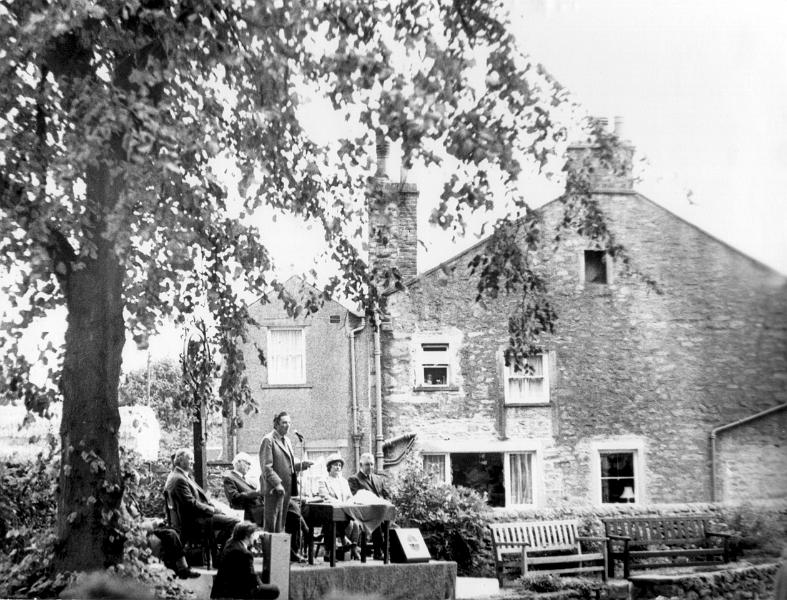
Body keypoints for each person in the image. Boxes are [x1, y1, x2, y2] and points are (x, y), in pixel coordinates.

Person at [165, 448, 238, 550]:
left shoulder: (178, 476)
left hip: (192, 517)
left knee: (227, 514)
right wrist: (212, 510)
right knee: (234, 522)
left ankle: (217, 550)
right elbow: (190, 503)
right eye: (190, 459)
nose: (193, 462)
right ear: (180, 460)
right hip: (193, 521)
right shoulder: (179, 479)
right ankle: (221, 553)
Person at [258, 411, 312, 534]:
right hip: (274, 489)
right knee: (272, 525)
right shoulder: (268, 440)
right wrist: (277, 484)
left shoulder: (287, 441)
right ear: (276, 424)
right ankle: (271, 552)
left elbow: (287, 465)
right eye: (284, 422)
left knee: (281, 525)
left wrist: (301, 466)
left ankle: (280, 553)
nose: (287, 425)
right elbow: (266, 467)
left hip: (286, 489)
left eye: (289, 422)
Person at [210, 522, 279, 600]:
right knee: (274, 589)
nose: (255, 538)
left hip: (221, 589)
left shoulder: (230, 543)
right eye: (253, 535)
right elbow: (252, 577)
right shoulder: (244, 553)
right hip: (234, 592)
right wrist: (260, 585)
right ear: (247, 536)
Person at [348, 452, 391, 560]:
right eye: (367, 464)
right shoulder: (354, 479)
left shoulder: (378, 479)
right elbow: (355, 498)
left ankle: (390, 550)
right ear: (361, 465)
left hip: (381, 510)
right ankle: (379, 552)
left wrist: (386, 502)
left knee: (391, 523)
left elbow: (386, 494)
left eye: (372, 464)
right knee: (377, 520)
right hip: (364, 513)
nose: (370, 467)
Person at [318, 452, 360, 560]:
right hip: (331, 512)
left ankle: (353, 547)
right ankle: (331, 550)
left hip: (345, 512)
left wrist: (351, 502)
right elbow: (325, 497)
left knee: (356, 522)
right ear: (329, 467)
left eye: (340, 465)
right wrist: (340, 504)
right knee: (331, 522)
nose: (338, 467)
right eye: (335, 464)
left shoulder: (344, 482)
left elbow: (350, 497)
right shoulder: (323, 481)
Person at [223, 452, 264, 524]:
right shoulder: (229, 478)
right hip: (249, 513)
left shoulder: (245, 479)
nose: (249, 467)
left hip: (257, 510)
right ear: (239, 462)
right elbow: (234, 498)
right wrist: (255, 493)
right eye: (248, 463)